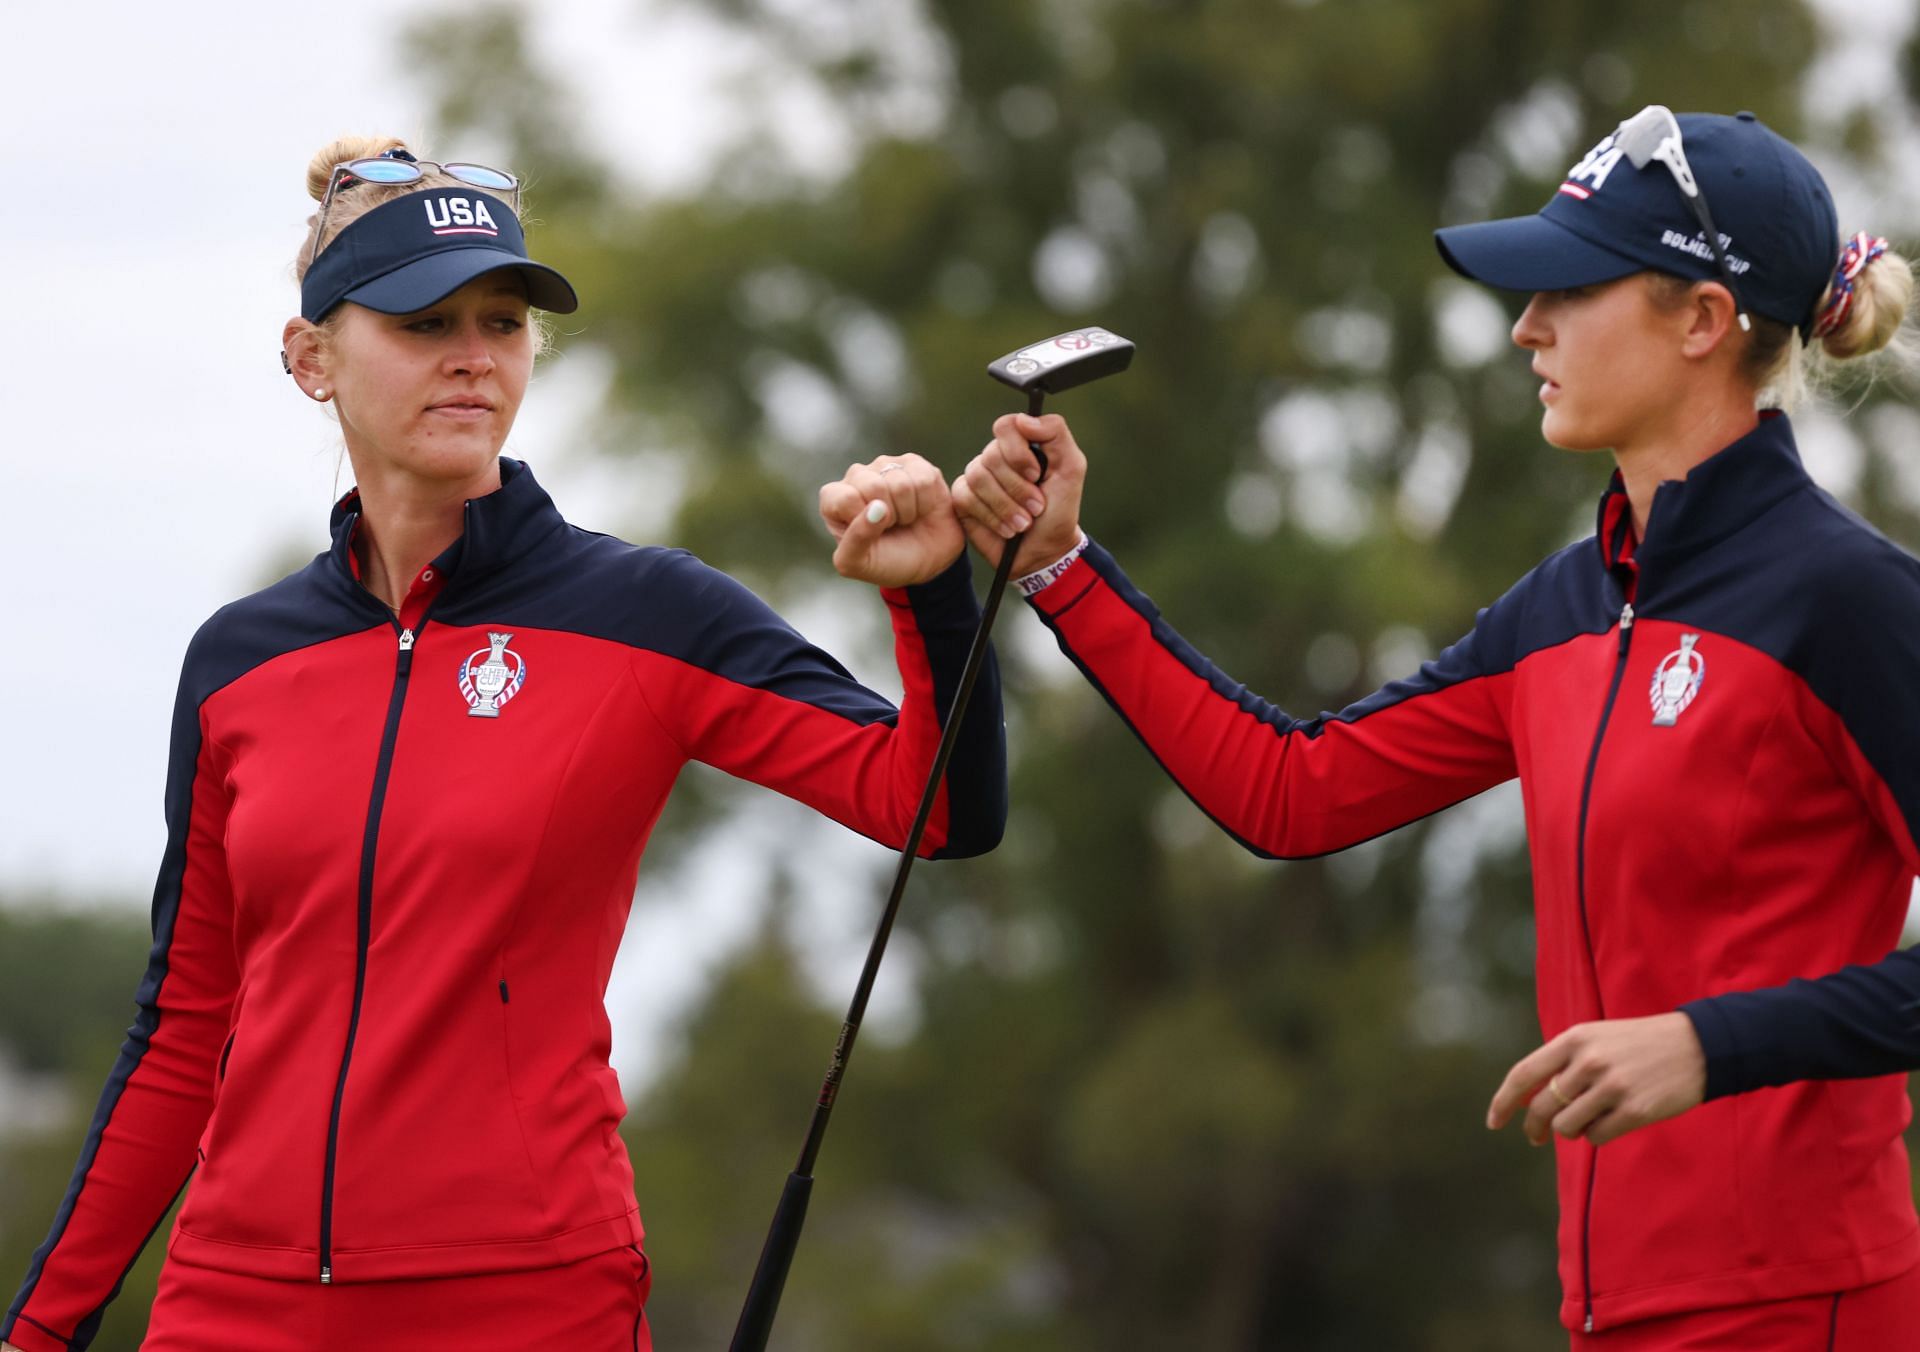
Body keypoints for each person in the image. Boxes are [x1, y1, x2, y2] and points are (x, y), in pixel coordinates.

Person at [0, 137, 1006, 1352]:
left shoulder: (649, 613)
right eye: (425, 322)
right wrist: (43, 1328)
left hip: (527, 1300)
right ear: (310, 357)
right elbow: (183, 1025)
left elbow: (937, 810)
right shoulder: (241, 661)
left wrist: (936, 595)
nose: (474, 353)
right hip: (236, 1301)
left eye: (503, 318)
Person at [953, 107, 1920, 1346]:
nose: (1528, 326)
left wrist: (1712, 1043)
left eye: (1572, 288)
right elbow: (1292, 791)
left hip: (1809, 1303)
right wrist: (1060, 569)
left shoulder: (1845, 599)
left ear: (1702, 319)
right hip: (1608, 1310)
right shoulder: (1565, 608)